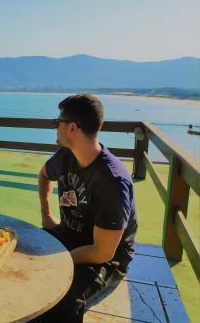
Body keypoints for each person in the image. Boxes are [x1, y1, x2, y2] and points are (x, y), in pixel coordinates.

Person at [33, 93, 138, 323]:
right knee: (22, 258)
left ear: (72, 128)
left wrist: (61, 261)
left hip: (105, 260)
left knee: (63, 300)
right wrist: (46, 214)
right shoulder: (65, 155)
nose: (55, 128)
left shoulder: (112, 180)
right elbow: (43, 175)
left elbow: (103, 251)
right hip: (68, 237)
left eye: (56, 123)